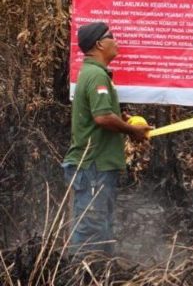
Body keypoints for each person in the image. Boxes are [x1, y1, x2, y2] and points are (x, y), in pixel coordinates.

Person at [62, 22, 151, 255]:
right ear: (100, 44)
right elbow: (102, 117)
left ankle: (101, 273)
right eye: (112, 37)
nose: (117, 41)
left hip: (97, 165)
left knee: (101, 227)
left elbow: (100, 114)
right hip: (93, 165)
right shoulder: (96, 75)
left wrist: (120, 118)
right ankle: (78, 276)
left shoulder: (94, 73)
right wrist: (132, 131)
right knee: (90, 228)